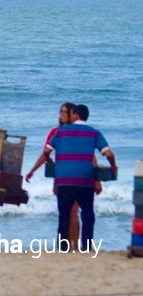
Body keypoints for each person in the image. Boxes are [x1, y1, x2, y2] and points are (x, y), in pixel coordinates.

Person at [48, 103, 116, 251]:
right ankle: (86, 247)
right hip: (85, 181)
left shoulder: (61, 132)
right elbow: (108, 154)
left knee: (64, 216)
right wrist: (113, 166)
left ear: (76, 115)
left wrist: (53, 165)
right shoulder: (94, 132)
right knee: (88, 215)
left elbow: (47, 150)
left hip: (64, 180)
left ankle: (63, 247)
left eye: (71, 113)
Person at [25, 102, 82, 245]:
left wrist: (96, 179)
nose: (61, 114)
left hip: (77, 177)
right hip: (61, 178)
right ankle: (65, 245)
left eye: (65, 112)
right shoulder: (55, 132)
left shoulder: (78, 132)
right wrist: (32, 170)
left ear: (72, 115)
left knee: (74, 213)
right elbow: (45, 153)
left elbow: (89, 155)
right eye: (60, 111)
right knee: (64, 213)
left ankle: (74, 245)